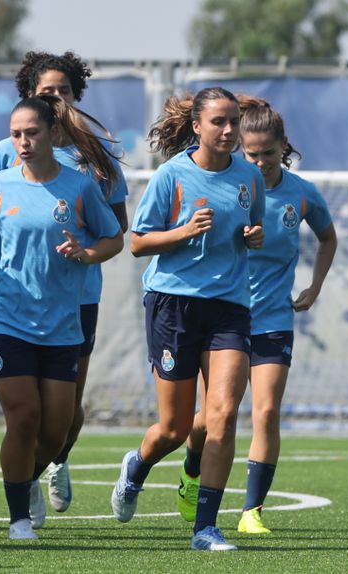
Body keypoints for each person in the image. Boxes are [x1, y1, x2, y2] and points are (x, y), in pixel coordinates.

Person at [112, 86, 264, 552]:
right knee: (175, 429)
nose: (228, 130)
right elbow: (137, 243)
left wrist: (253, 237)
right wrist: (181, 231)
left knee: (221, 415)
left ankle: (205, 528)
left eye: (233, 121)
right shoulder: (171, 176)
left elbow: (250, 228)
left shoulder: (249, 178)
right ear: (196, 126)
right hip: (173, 305)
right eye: (218, 121)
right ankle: (136, 466)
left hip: (229, 307)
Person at [176, 95, 337, 535]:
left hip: (272, 319)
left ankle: (251, 512)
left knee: (265, 412)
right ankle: (192, 467)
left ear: (283, 146)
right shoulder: (231, 185)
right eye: (253, 154)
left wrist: (315, 286)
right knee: (212, 418)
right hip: (225, 317)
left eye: (270, 153)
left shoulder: (302, 193)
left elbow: (328, 238)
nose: (262, 162)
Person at [0, 51, 129, 514]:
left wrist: (83, 251)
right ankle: (24, 487)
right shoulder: (7, 153)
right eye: (48, 93)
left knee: (66, 409)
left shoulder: (93, 154)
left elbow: (116, 227)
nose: (58, 99)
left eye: (65, 91)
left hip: (77, 296)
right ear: (31, 98)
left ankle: (56, 457)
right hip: (17, 301)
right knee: (27, 414)